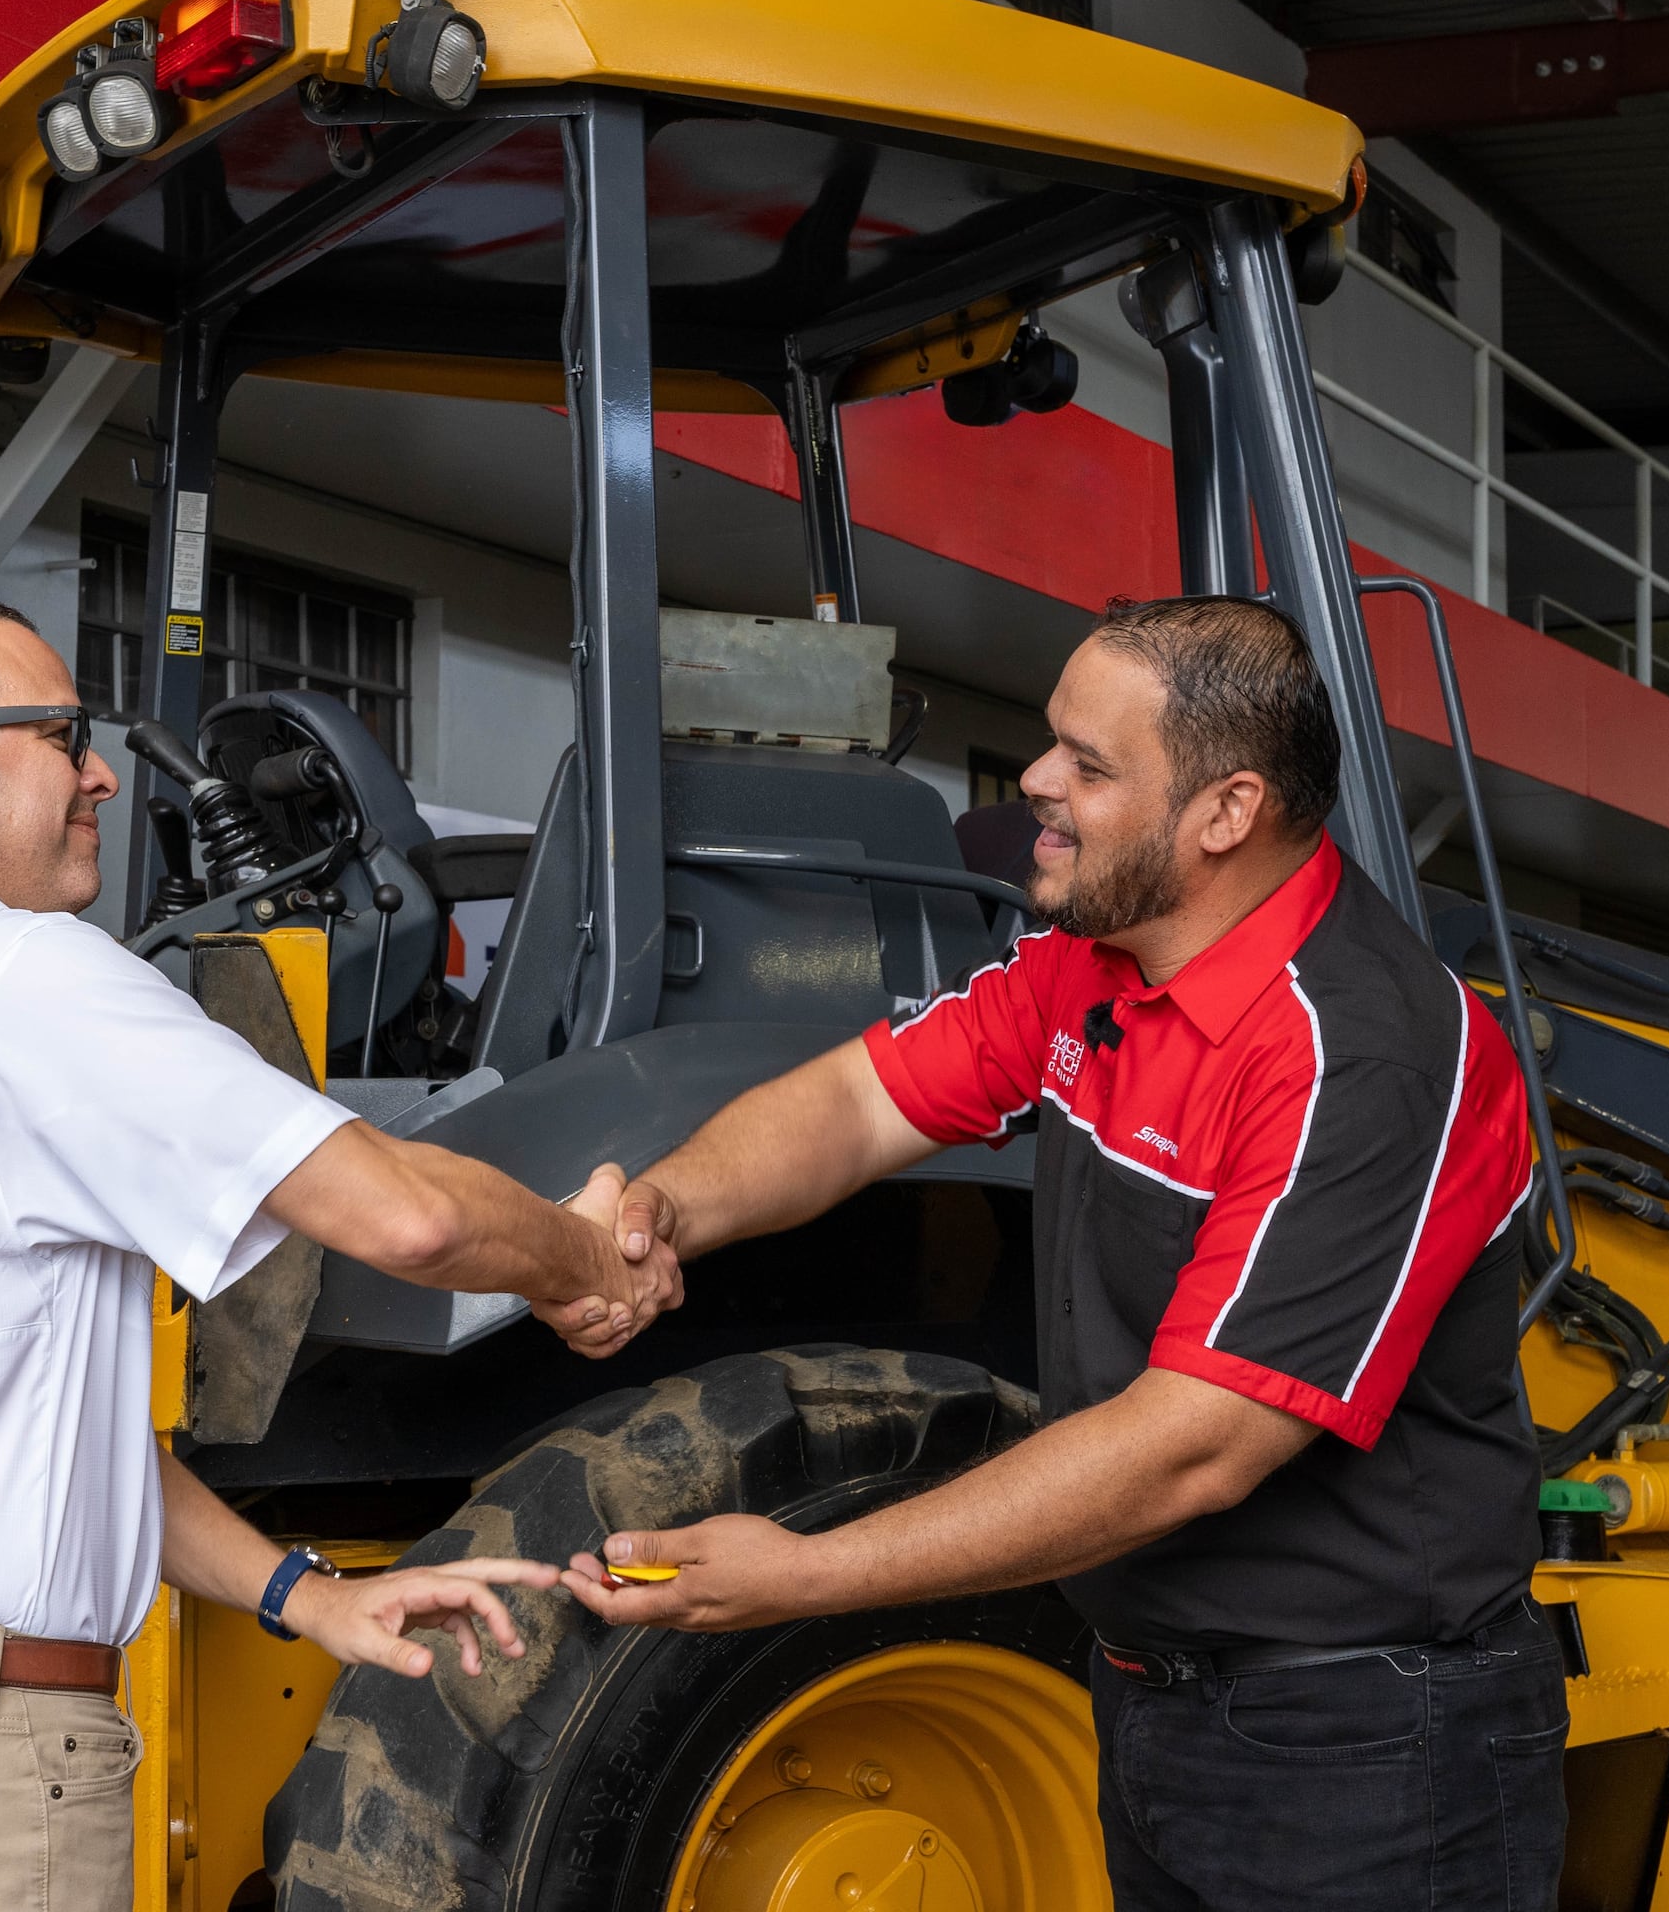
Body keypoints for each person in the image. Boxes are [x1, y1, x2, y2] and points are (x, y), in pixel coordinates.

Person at [0, 594, 680, 1912]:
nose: (99, 773)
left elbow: (38, 1444)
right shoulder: (14, 977)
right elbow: (407, 1217)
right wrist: (582, 1258)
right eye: (56, 734)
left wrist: (306, 1597)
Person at [562, 596, 1565, 1911]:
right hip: (1159, 1701)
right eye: (1052, 744)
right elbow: (862, 1104)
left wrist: (806, 1573)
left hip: (1369, 1748)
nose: (1035, 780)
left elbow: (1196, 1442)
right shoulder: (1093, 962)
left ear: (1226, 811)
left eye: (1088, 765)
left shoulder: (1356, 1054)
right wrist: (663, 1209)